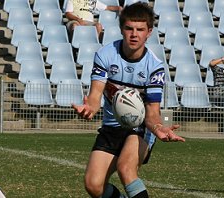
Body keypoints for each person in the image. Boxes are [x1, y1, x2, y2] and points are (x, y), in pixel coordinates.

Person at [72, 3, 185, 198]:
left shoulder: (155, 67)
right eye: (129, 28)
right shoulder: (105, 55)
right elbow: (95, 97)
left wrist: (158, 128)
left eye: (140, 29)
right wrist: (89, 109)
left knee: (126, 169)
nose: (134, 34)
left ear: (149, 32)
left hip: (140, 129)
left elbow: (151, 113)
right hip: (111, 127)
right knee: (93, 185)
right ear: (121, 29)